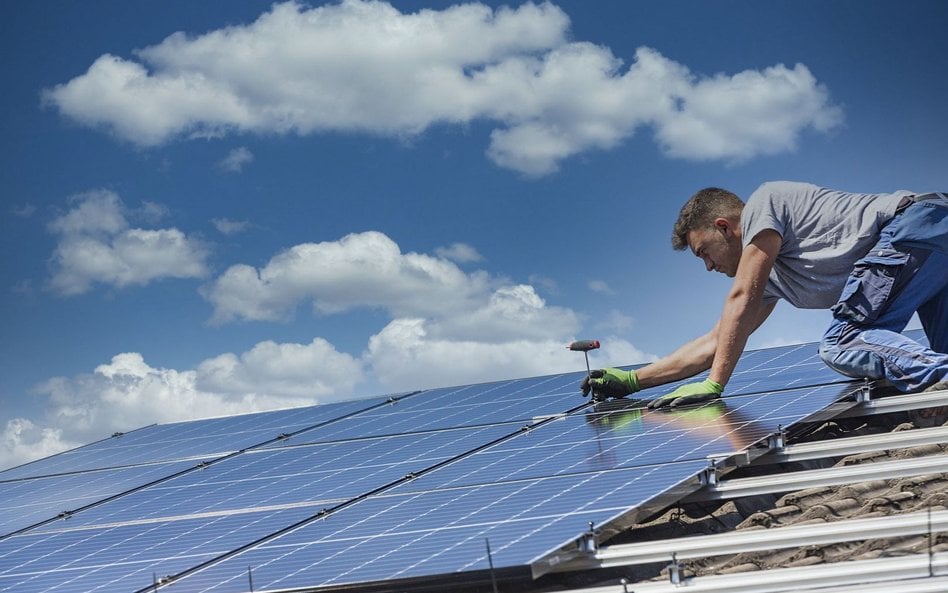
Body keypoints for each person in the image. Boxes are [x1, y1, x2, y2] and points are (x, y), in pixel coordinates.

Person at [582, 181, 948, 408]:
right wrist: (633, 380)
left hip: (916, 226)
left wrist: (715, 385)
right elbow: (718, 339)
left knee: (843, 343)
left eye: (703, 252)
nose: (708, 267)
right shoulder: (775, 279)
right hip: (934, 247)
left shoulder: (764, 203)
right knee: (926, 356)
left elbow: (740, 296)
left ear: (723, 227)